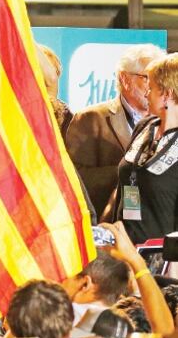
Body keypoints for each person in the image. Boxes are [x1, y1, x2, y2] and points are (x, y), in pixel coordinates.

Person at [67, 44, 165, 220]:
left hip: (158, 224)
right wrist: (129, 173)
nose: (156, 85)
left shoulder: (167, 119)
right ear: (125, 79)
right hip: (111, 225)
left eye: (160, 78)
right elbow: (75, 178)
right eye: (148, 77)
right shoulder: (91, 118)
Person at [116, 52, 178, 244]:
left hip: (163, 257)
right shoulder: (145, 126)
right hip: (125, 248)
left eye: (150, 88)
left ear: (167, 94)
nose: (145, 94)